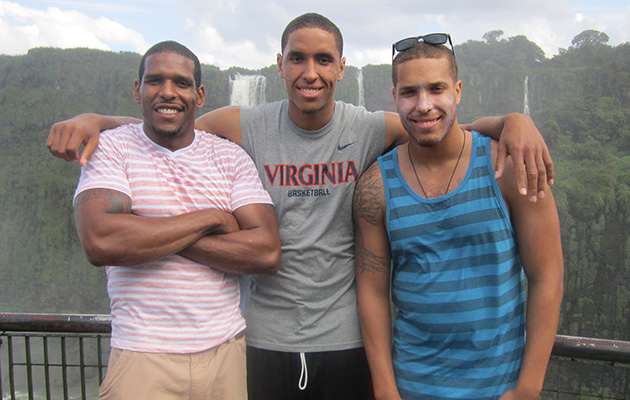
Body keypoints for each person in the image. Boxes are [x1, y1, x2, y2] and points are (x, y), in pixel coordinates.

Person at [48, 14, 554, 400]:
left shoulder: (369, 128)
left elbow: (441, 129)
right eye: (297, 58)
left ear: (341, 67)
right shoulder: (243, 124)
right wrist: (96, 118)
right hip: (261, 337)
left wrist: (513, 122)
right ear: (280, 64)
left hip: (348, 337)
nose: (310, 72)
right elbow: (168, 120)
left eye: (323, 59)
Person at [354, 34, 563, 400]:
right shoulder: (376, 186)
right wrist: (385, 388)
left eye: (436, 89)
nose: (423, 105)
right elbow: (372, 291)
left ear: (458, 91)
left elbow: (547, 275)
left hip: (499, 389)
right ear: (394, 98)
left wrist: (529, 387)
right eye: (409, 93)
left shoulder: (510, 168)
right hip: (412, 386)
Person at [72, 40, 280, 400]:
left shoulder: (230, 157)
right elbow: (101, 241)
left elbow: (265, 253)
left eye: (181, 83)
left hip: (225, 354)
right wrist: (213, 217)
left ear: (199, 96)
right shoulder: (110, 148)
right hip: (142, 357)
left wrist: (144, 229)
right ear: (137, 90)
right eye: (155, 81)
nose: (167, 92)